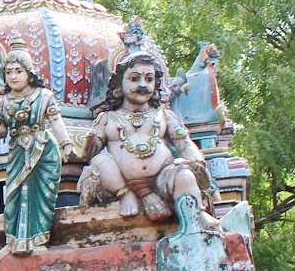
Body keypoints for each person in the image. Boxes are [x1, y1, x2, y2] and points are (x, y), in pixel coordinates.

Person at [79, 44, 214, 224]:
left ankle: (196, 217)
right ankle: (127, 195)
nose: (143, 85)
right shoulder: (107, 118)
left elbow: (184, 143)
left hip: (163, 178)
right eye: (134, 79)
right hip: (121, 184)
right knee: (100, 162)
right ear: (119, 85)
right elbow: (90, 155)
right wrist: (91, 142)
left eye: (149, 79)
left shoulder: (164, 115)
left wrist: (197, 162)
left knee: (185, 175)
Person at [0, 47, 78, 260]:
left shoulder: (43, 96)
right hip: (18, 151)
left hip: (43, 149)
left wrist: (66, 144)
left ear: (29, 73)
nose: (13, 76)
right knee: (14, 195)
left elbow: (55, 120)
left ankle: (38, 240)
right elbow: (0, 133)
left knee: (39, 196)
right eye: (9, 72)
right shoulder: (3, 102)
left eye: (18, 71)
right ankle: (12, 242)